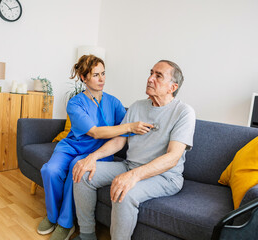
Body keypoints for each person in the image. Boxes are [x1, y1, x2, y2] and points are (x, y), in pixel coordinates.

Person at [72, 60, 196, 240]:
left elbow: (173, 157)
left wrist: (134, 176)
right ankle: (87, 235)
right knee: (83, 173)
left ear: (172, 87)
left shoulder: (184, 112)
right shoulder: (137, 106)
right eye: (151, 72)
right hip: (129, 165)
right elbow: (118, 142)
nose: (150, 78)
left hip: (165, 177)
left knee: (124, 191)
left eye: (158, 76)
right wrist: (92, 157)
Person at [38, 55, 153, 240]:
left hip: (97, 152)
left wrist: (135, 129)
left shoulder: (114, 103)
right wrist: (130, 126)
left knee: (78, 169)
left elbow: (122, 133)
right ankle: (52, 217)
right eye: (95, 75)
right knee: (50, 171)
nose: (101, 79)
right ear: (84, 78)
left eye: (103, 74)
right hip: (72, 146)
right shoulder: (75, 103)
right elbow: (95, 132)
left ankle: (65, 224)